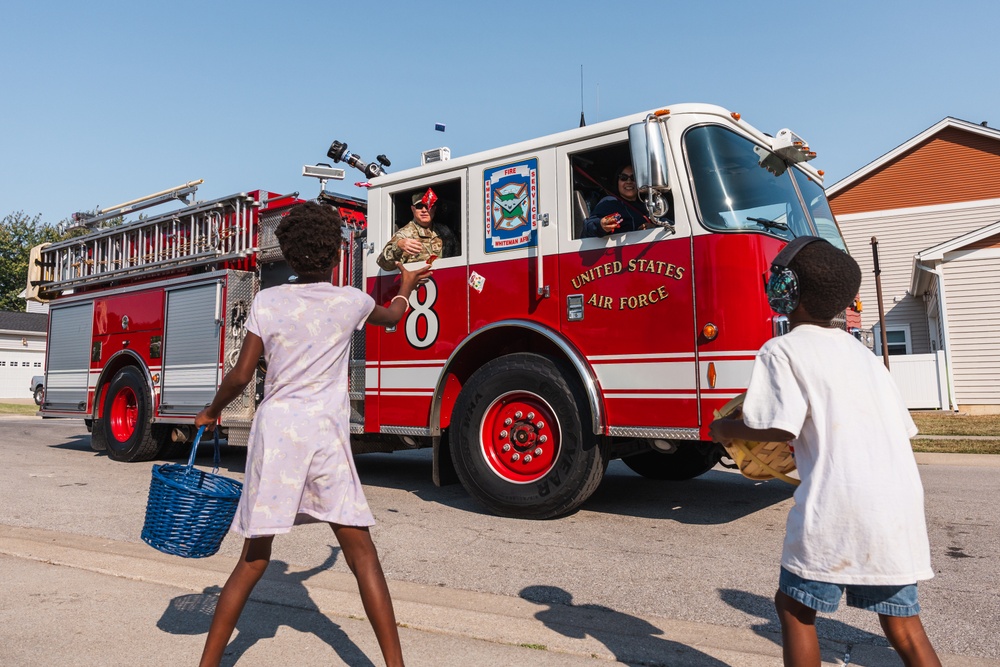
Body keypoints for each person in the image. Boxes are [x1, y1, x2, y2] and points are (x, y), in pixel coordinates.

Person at [195, 201, 428, 667]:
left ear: (285, 251)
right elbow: (394, 316)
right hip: (324, 435)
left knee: (254, 559)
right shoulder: (351, 301)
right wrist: (406, 281)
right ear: (339, 250)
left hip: (278, 433)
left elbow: (242, 375)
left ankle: (207, 665)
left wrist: (210, 411)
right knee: (362, 555)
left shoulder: (268, 301)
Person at [708, 236, 940, 667]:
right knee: (905, 627)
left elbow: (773, 426)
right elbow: (893, 430)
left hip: (837, 508)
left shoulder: (782, 350)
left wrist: (724, 427)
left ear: (789, 290)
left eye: (778, 277)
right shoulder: (865, 355)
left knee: (795, 609)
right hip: (897, 511)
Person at [377, 188, 457, 270]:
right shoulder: (405, 234)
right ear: (413, 209)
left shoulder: (445, 231)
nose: (424, 210)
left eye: (428, 206)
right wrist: (398, 246)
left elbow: (458, 258)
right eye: (419, 206)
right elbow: (383, 263)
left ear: (434, 209)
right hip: (418, 281)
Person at [581, 165, 651, 238]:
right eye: (623, 178)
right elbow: (588, 228)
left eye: (634, 178)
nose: (629, 181)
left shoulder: (648, 204)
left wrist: (652, 227)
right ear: (617, 182)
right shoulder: (610, 202)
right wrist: (601, 225)